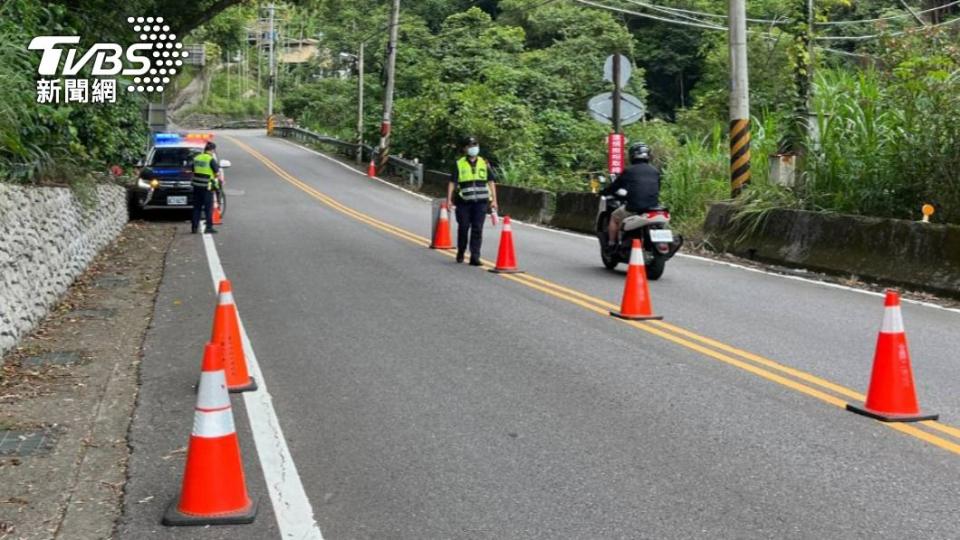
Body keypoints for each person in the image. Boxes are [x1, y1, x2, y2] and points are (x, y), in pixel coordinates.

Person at [447, 136, 498, 265]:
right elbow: (452, 183)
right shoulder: (459, 164)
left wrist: (494, 200)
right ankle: (461, 252)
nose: (473, 148)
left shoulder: (484, 163)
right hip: (463, 202)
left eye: (475, 145)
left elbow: (491, 182)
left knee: (477, 229)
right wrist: (449, 200)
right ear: (465, 149)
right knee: (463, 227)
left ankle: (475, 256)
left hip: (481, 202)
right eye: (470, 146)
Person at [603, 142, 661, 251]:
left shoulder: (629, 170)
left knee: (614, 217)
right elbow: (658, 188)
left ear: (632, 155)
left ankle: (611, 244)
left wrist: (604, 192)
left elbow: (615, 186)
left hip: (634, 207)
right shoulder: (655, 171)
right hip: (653, 207)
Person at [191, 141, 220, 234]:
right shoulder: (210, 159)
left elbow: (193, 169)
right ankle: (208, 227)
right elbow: (217, 173)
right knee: (208, 208)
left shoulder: (197, 158)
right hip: (207, 187)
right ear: (212, 150)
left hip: (196, 186)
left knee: (197, 207)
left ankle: (194, 228)